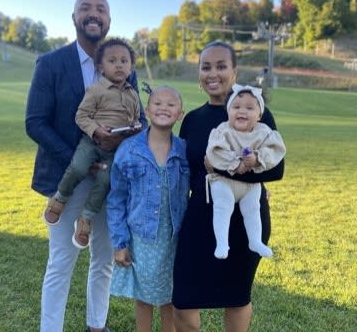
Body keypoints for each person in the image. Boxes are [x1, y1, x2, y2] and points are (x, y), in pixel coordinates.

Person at [25, 0, 146, 332]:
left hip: (111, 179)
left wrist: (131, 138)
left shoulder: (124, 65)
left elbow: (138, 118)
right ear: (74, 17)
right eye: (86, 9)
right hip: (69, 173)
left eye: (101, 9)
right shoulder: (51, 63)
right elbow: (35, 122)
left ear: (109, 19)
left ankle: (97, 326)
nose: (94, 14)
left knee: (104, 260)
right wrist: (81, 162)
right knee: (61, 261)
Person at [172, 41, 285, 332]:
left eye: (221, 66)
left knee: (236, 298)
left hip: (247, 220)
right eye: (206, 67)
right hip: (200, 217)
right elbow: (189, 172)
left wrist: (222, 167)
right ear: (198, 73)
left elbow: (276, 168)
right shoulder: (193, 121)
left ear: (233, 72)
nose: (213, 73)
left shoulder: (256, 112)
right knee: (183, 299)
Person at [43, 37, 142, 250]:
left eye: (124, 61)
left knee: (106, 181)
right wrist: (96, 129)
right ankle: (60, 197)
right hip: (91, 142)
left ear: (131, 67)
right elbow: (81, 116)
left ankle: (86, 218)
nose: (119, 65)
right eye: (112, 61)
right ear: (101, 67)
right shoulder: (96, 90)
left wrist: (134, 128)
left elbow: (136, 118)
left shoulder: (133, 94)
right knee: (78, 167)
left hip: (115, 150)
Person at [107, 86, 190, 332]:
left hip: (175, 237)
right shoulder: (129, 150)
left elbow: (209, 180)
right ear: (147, 110)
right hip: (142, 237)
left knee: (171, 297)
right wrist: (119, 243)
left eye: (171, 104)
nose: (164, 108)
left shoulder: (185, 150)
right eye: (158, 103)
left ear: (180, 114)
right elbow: (116, 199)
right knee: (143, 296)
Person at [205, 83, 286, 259]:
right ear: (228, 111)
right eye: (236, 107)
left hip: (250, 186)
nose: (242, 111)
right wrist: (236, 164)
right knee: (222, 205)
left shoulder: (263, 131)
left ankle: (255, 241)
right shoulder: (223, 130)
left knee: (253, 208)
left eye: (249, 108)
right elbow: (215, 152)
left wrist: (257, 159)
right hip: (224, 182)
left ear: (259, 115)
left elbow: (276, 150)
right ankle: (222, 243)